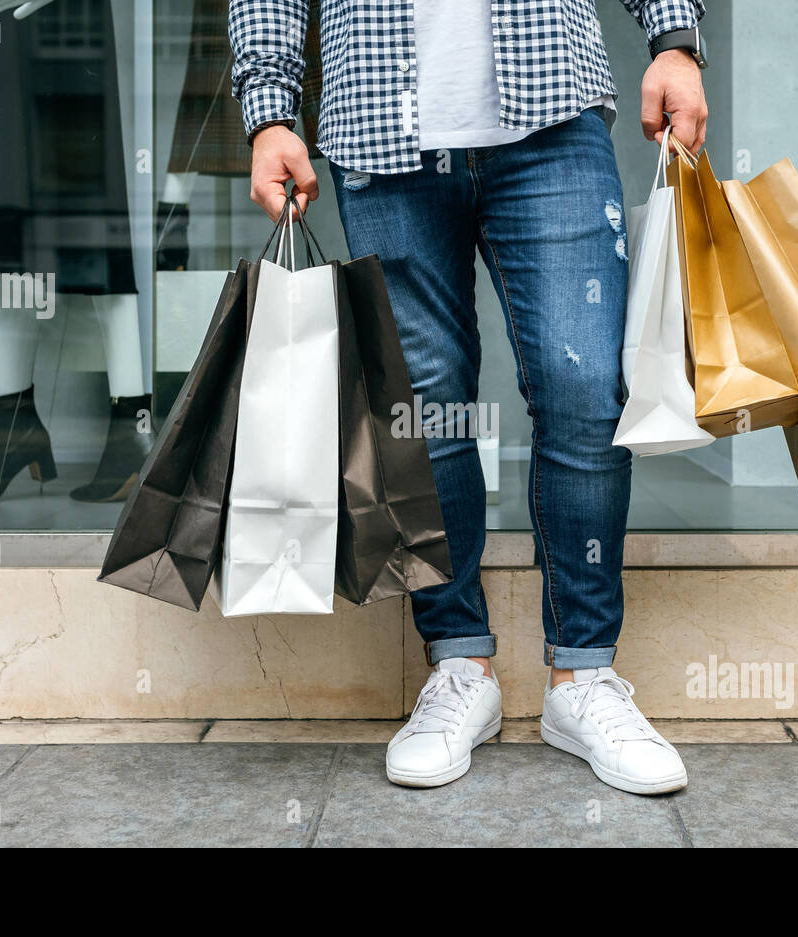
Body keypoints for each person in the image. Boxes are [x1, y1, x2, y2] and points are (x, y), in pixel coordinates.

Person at [230, 0, 708, 795]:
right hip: (381, 128)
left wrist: (676, 39)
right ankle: (459, 664)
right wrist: (270, 108)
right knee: (427, 407)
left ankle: (583, 677)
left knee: (585, 386)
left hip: (552, 114)